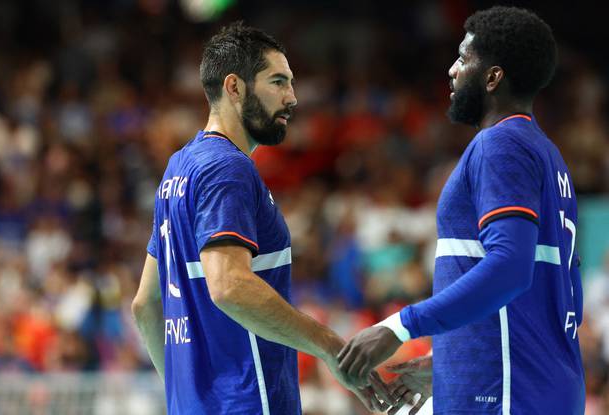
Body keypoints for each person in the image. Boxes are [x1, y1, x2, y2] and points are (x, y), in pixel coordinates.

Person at [337, 6, 585, 415]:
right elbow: (541, 287)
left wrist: (397, 327)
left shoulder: (500, 145)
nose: (452, 70)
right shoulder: (546, 153)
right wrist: (454, 359)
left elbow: (510, 267)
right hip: (532, 385)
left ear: (493, 77)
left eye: (463, 58)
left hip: (510, 395)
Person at [131, 22, 388, 414]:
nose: (292, 98)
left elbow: (146, 305)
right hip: (249, 403)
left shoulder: (178, 169)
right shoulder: (227, 169)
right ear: (234, 87)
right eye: (278, 82)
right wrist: (331, 347)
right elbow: (230, 286)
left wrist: (185, 398)